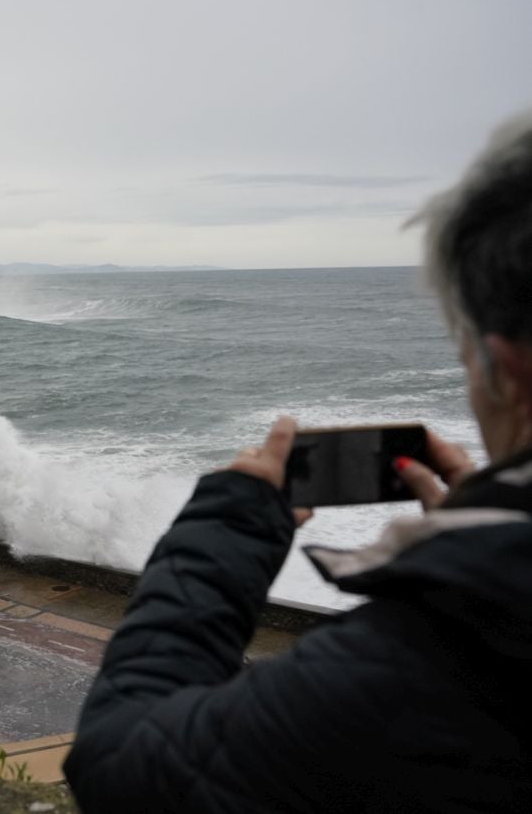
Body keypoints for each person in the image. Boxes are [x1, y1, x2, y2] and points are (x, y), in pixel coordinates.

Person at [65, 111, 532, 813]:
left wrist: (224, 528)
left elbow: (120, 762)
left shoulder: (434, 667)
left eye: (461, 349)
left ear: (506, 368)